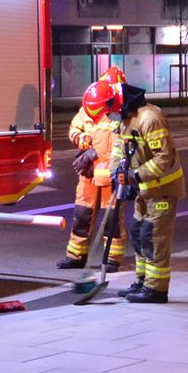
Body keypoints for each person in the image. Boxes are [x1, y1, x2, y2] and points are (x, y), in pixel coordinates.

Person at [112, 77, 186, 304]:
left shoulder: (150, 119)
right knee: (137, 233)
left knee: (153, 237)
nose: (108, 113)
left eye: (109, 108)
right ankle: (143, 282)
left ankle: (156, 289)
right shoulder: (126, 120)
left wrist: (136, 175)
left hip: (162, 190)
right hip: (143, 191)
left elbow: (165, 157)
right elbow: (119, 151)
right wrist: (116, 173)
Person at [54, 78, 128, 270]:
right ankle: (76, 256)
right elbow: (74, 129)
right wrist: (81, 139)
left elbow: (125, 145)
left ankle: (111, 259)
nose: (91, 113)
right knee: (81, 215)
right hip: (88, 174)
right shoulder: (86, 110)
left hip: (109, 178)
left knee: (111, 220)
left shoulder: (119, 116)